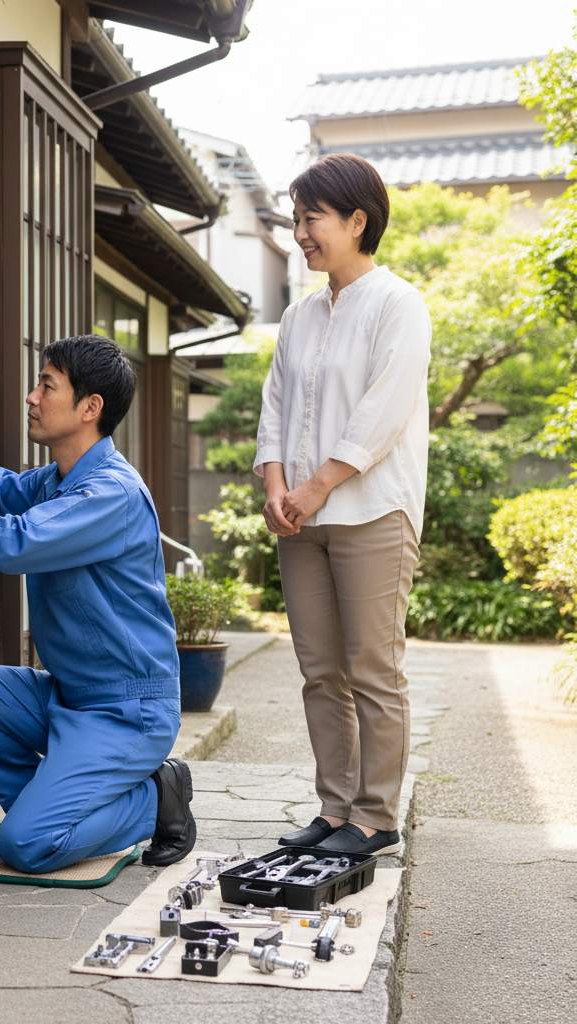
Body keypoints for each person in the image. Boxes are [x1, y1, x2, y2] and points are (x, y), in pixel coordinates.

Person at [0, 334, 195, 873]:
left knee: (25, 848)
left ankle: (154, 798)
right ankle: (36, 810)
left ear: (90, 408)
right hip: (66, 696)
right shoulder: (59, 479)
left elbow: (14, 543)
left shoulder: (109, 493)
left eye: (47, 386)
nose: (31, 397)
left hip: (124, 712)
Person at [255, 153, 431, 857]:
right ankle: (334, 810)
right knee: (320, 670)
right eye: (295, 219)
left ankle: (376, 818)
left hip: (372, 514)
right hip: (299, 518)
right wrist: (276, 487)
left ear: (358, 221)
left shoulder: (398, 303)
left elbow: (382, 415)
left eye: (312, 219)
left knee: (372, 670)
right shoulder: (298, 316)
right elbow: (276, 406)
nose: (300, 233)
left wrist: (317, 484)